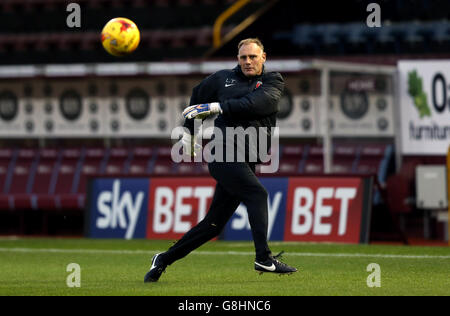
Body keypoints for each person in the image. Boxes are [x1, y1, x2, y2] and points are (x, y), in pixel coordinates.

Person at [144, 38, 297, 283]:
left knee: (213, 225)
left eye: (253, 57)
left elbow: (257, 104)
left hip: (247, 159)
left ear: (263, 57)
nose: (248, 61)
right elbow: (196, 98)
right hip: (224, 154)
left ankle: (163, 259)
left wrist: (217, 107)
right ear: (238, 59)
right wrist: (190, 132)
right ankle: (264, 258)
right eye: (243, 57)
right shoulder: (222, 78)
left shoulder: (272, 80)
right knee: (257, 194)